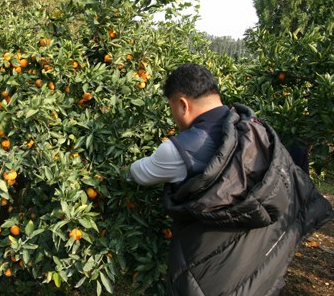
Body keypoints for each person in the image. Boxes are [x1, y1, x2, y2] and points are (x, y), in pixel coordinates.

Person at [126, 63, 333, 296]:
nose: (174, 117)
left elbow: (138, 173)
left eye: (173, 108)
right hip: (259, 271)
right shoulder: (257, 130)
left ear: (183, 104)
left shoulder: (179, 150)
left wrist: (123, 167)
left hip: (205, 277)